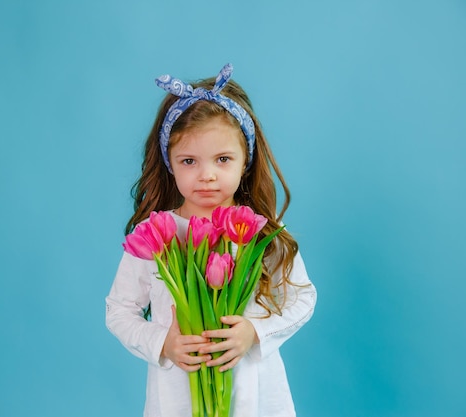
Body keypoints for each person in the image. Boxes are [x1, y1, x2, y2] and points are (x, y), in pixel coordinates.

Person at [106, 63, 317, 417]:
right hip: (177, 400)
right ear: (170, 163)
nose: (206, 175)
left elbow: (302, 298)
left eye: (222, 159)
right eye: (189, 160)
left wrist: (255, 332)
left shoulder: (262, 233)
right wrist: (163, 344)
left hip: (256, 397)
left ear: (245, 160)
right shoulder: (157, 236)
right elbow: (119, 310)